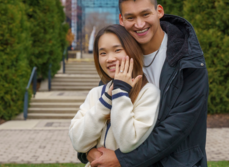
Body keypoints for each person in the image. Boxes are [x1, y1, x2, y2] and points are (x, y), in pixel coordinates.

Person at [78, 0, 209, 167]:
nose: (139, 24)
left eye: (145, 14)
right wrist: (88, 151)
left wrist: (121, 160)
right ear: (121, 20)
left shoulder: (189, 61)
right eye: (131, 17)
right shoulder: (121, 59)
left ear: (159, 11)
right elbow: (103, 114)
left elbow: (175, 129)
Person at [69, 24, 161, 167]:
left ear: (132, 51)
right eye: (103, 53)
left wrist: (120, 92)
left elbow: (127, 143)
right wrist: (105, 101)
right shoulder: (96, 94)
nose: (109, 59)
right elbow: (78, 142)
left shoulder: (148, 93)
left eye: (117, 50)